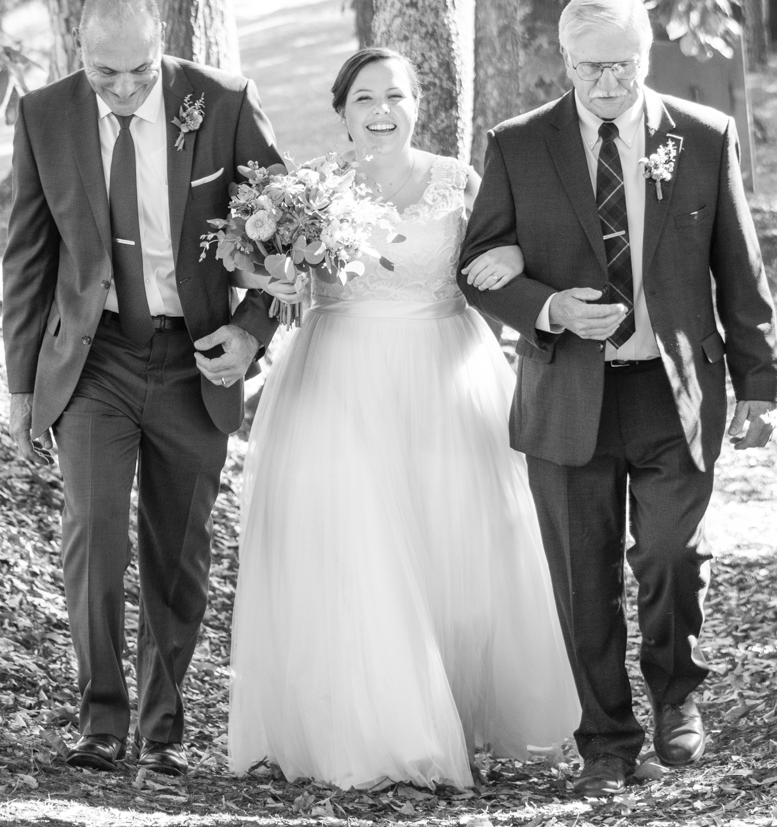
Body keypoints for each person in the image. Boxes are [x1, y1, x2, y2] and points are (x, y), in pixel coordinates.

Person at [459, 0, 777, 796]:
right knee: (583, 574)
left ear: (646, 55)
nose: (609, 83)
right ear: (565, 62)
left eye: (624, 65)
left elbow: (738, 267)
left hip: (674, 388)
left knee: (672, 552)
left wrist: (759, 380)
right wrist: (548, 307)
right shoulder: (518, 145)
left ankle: (677, 694)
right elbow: (479, 265)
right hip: (569, 394)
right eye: (592, 67)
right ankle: (605, 736)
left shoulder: (703, 137)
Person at [227, 48, 580, 790]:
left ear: (421, 104)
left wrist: (513, 253)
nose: (381, 110)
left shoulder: (459, 180)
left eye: (396, 95)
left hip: (445, 373)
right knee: (358, 546)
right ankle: (378, 726)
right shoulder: (310, 191)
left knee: (449, 544)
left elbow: (499, 246)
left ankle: (452, 705)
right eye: (364, 97)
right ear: (342, 110)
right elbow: (275, 280)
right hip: (338, 378)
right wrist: (279, 277)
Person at [2, 0, 292, 777]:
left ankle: (163, 730)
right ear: (79, 52)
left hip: (192, 357)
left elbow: (293, 231)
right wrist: (22, 386)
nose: (125, 91)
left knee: (179, 552)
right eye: (105, 74)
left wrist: (251, 330)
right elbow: (28, 257)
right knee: (95, 536)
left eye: (138, 71)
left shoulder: (222, 101)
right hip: (93, 361)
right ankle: (100, 719)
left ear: (161, 41)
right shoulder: (44, 115)